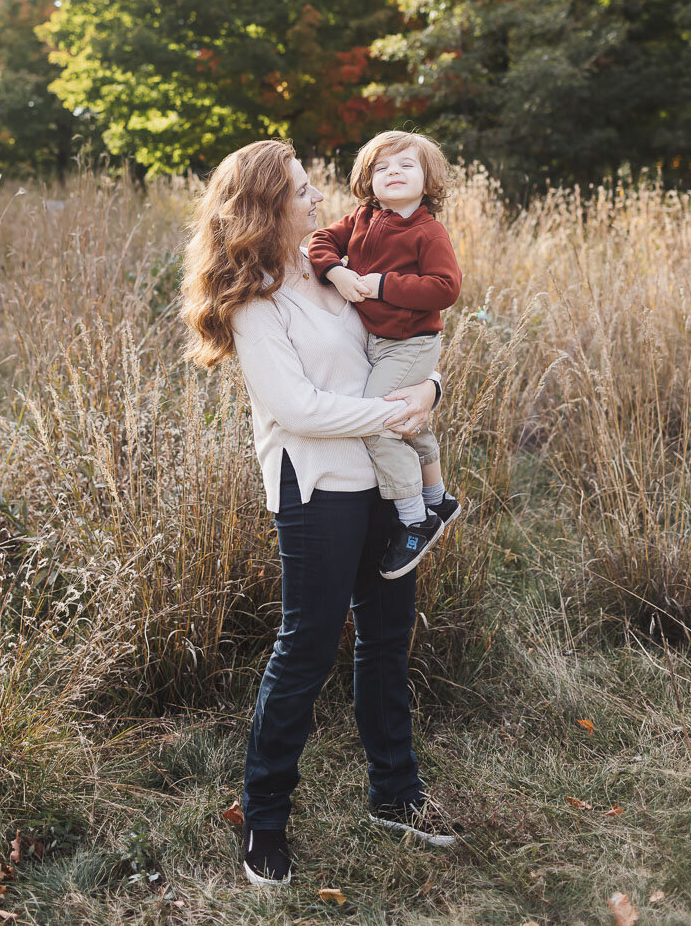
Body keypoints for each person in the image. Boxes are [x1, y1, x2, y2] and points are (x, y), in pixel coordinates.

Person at [181, 139, 458, 890]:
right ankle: (264, 820)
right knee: (304, 650)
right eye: (303, 190)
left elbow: (411, 335)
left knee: (387, 638)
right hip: (317, 490)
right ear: (268, 206)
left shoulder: (328, 265)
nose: (318, 198)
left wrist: (431, 394)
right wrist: (391, 414)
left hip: (378, 477)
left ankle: (396, 795)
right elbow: (295, 408)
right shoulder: (254, 301)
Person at [307, 130, 463, 580]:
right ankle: (438, 500)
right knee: (405, 419)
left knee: (380, 421)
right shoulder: (360, 218)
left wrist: (379, 284)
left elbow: (445, 288)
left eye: (405, 165)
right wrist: (336, 273)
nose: (392, 172)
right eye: (381, 167)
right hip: (378, 340)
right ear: (367, 180)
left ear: (427, 178)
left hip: (411, 341)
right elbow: (321, 243)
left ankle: (416, 522)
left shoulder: (428, 231)